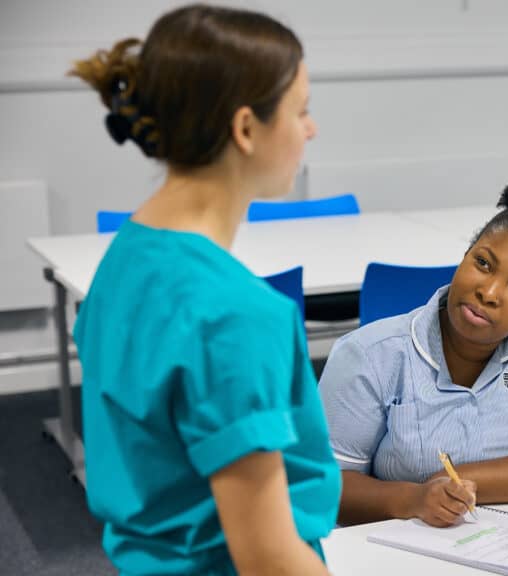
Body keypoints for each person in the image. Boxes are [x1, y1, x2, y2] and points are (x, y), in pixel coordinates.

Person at [71, 5, 338, 574]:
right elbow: (266, 556)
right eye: (302, 111)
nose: (311, 128)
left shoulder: (125, 258)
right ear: (245, 128)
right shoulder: (235, 315)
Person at [319, 174, 508, 526]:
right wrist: (412, 499)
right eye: (483, 264)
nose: (489, 292)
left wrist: (456, 482)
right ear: (464, 256)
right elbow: (325, 487)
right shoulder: (370, 355)